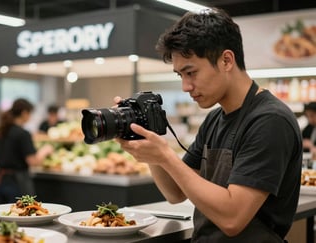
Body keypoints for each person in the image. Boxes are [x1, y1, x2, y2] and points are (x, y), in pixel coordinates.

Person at [115, 8, 302, 242]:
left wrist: (166, 157)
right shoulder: (215, 118)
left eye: (191, 72)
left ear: (226, 60)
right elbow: (175, 193)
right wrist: (145, 140)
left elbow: (233, 219)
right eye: (180, 75)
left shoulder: (269, 120)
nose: (185, 86)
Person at [0, 98, 53, 203]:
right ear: (24, 113)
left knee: (3, 214)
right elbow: (32, 161)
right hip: (18, 183)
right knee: (21, 215)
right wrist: (45, 151)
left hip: (0, 181)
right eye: (30, 113)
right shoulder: (23, 134)